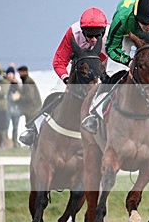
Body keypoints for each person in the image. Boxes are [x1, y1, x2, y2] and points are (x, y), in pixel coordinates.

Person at [82, 0, 149, 138]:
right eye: (144, 22)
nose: (147, 27)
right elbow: (111, 48)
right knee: (114, 73)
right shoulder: (122, 18)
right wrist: (128, 61)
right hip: (126, 36)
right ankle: (94, 115)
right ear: (136, 16)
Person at [19, 8, 109, 146]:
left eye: (97, 36)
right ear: (82, 31)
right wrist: (66, 79)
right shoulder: (73, 32)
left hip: (103, 65)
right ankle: (34, 130)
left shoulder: (110, 34)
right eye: (89, 36)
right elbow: (59, 61)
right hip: (77, 67)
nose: (93, 40)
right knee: (55, 92)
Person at [5, 66, 23, 147]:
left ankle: (15, 142)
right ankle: (5, 143)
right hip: (7, 108)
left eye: (11, 73)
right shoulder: (5, 83)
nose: (10, 75)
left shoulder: (17, 84)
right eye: (8, 74)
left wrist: (18, 96)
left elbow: (21, 94)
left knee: (15, 127)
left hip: (16, 108)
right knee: (6, 126)